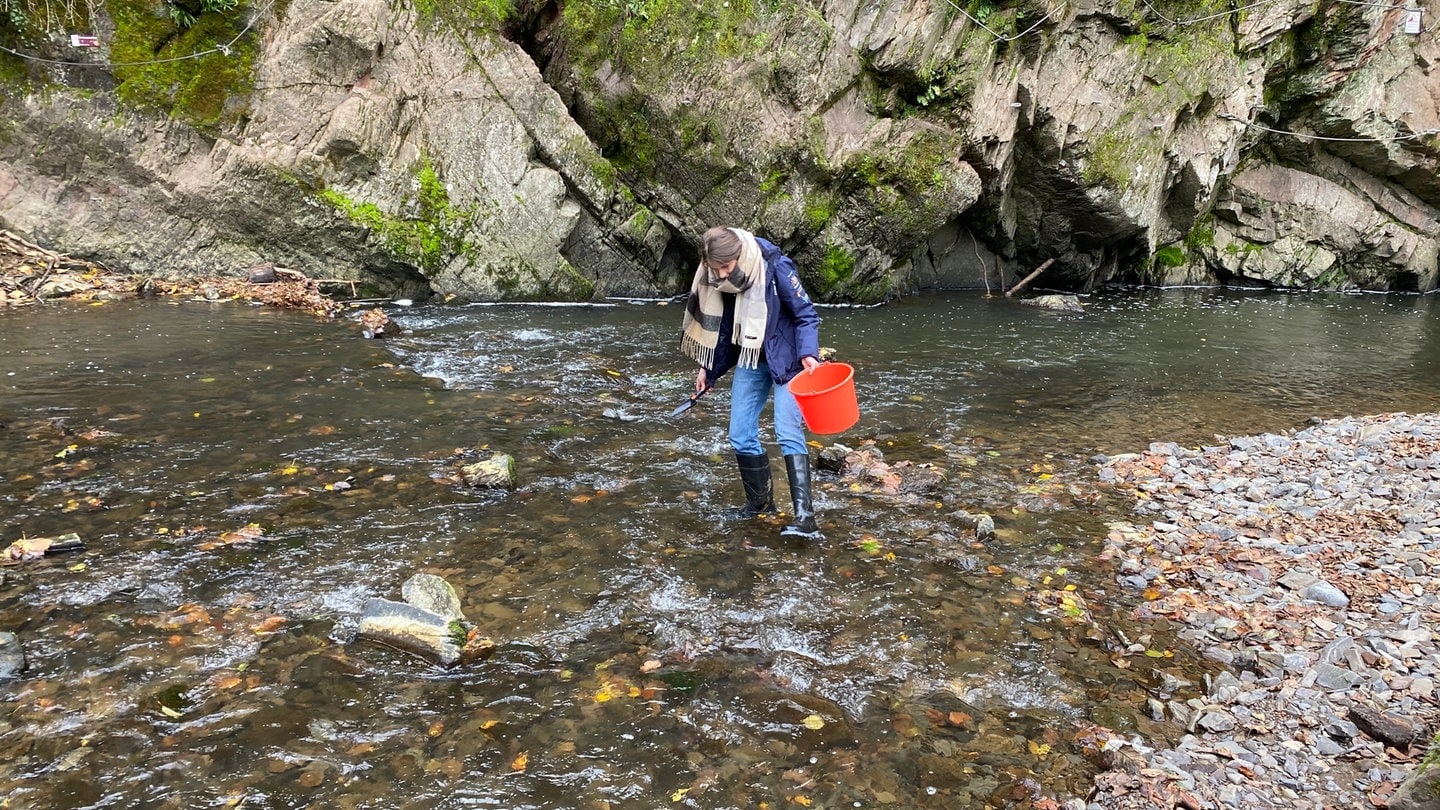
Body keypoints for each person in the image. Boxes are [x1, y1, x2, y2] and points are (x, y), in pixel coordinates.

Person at [679, 225, 824, 539]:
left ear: (738, 256)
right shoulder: (718, 279)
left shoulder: (775, 266)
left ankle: (805, 519)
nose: (721, 276)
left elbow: (806, 315)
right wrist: (710, 370)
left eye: (726, 268)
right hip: (751, 358)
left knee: (786, 429)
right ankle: (760, 506)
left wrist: (810, 353)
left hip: (790, 360)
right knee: (740, 433)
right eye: (715, 270)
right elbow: (723, 333)